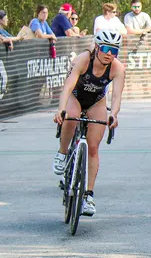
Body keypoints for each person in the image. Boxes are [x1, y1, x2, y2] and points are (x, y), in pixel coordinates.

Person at [52, 29, 126, 217]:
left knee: (93, 147)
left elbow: (116, 96)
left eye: (114, 50)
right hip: (75, 97)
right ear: (97, 47)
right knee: (70, 116)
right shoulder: (83, 59)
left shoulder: (117, 68)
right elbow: (68, 86)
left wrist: (114, 114)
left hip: (97, 101)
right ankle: (62, 153)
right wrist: (60, 109)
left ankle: (88, 195)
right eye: (106, 49)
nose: (110, 54)